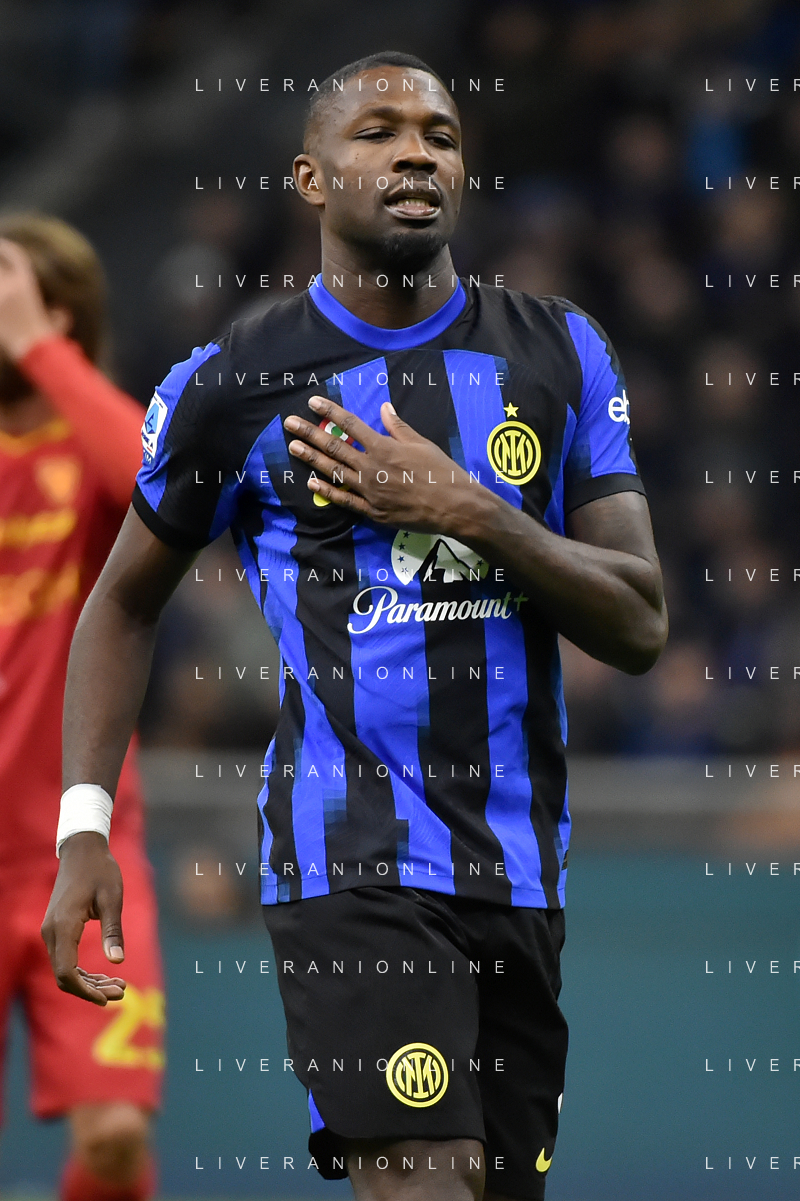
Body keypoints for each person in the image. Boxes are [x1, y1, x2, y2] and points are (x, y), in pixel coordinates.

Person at [42, 51, 667, 1201]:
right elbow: (121, 600)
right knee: (425, 1180)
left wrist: (469, 508)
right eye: (377, 132)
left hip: (520, 868)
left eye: (438, 134)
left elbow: (637, 620)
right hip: (349, 858)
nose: (415, 152)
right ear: (311, 179)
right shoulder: (235, 381)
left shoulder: (558, 351)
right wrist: (84, 825)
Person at [0, 215, 163, 1201]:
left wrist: (37, 349)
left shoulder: (90, 430)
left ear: (56, 310)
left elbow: (156, 482)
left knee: (112, 1135)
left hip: (77, 848)